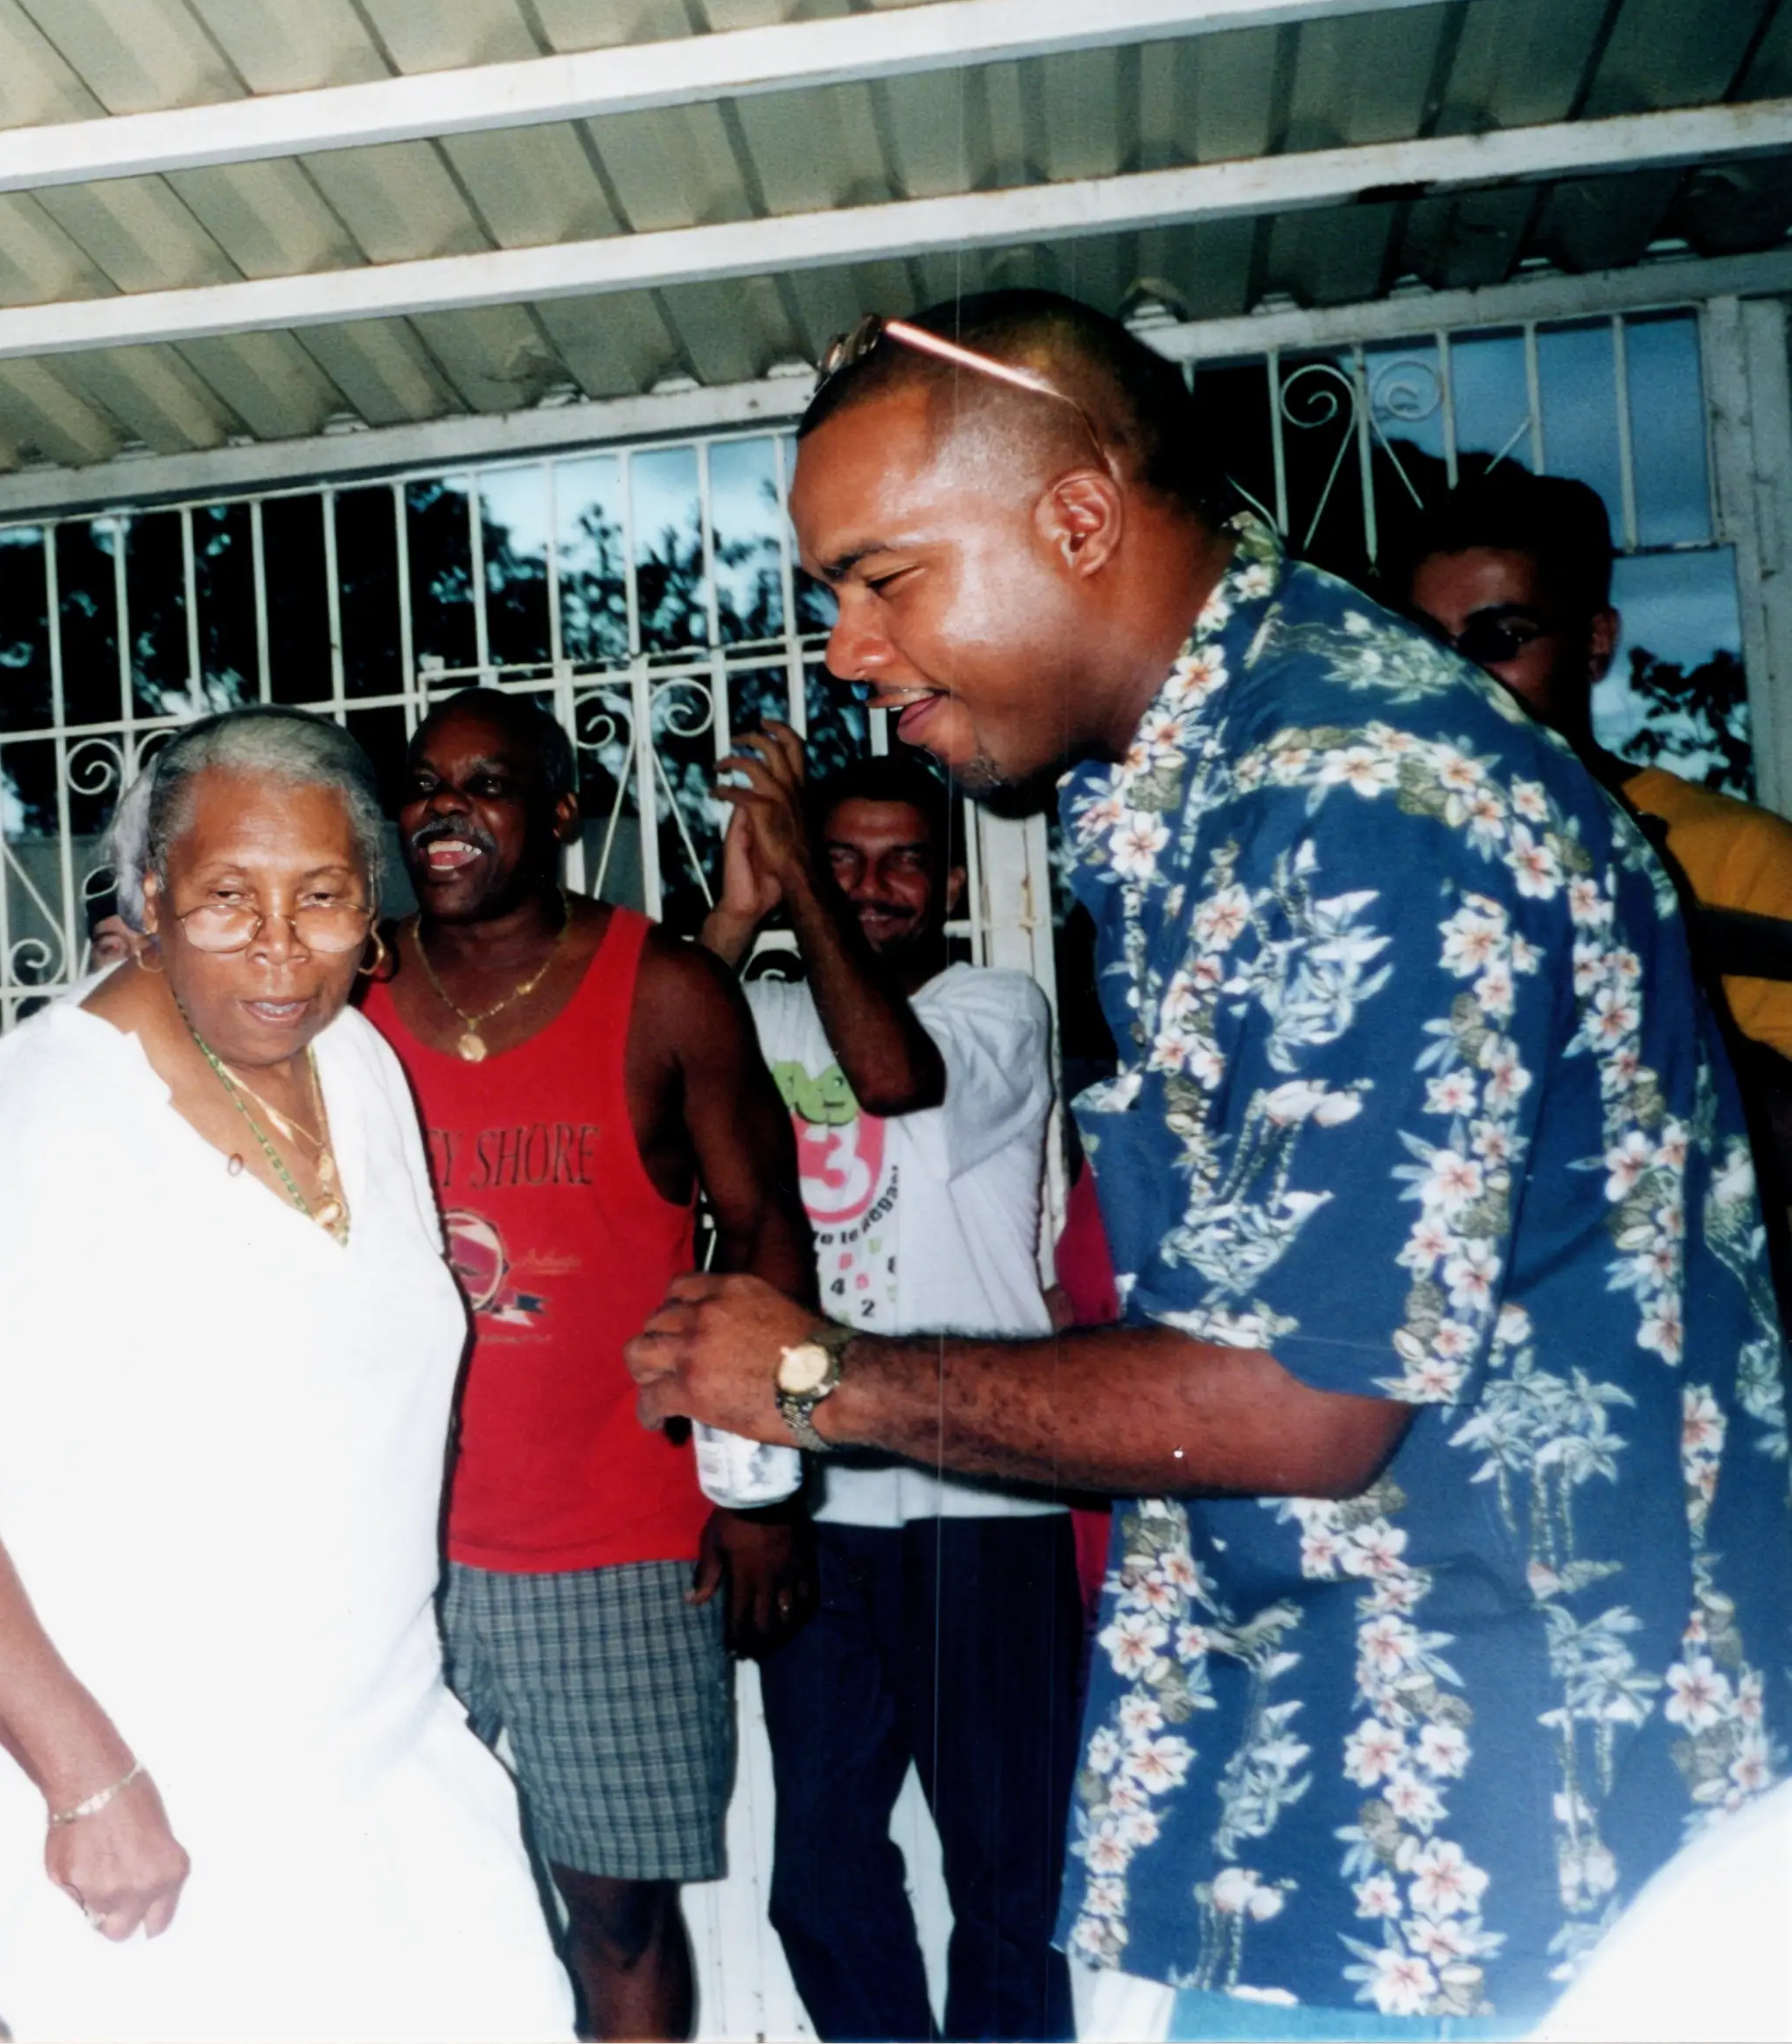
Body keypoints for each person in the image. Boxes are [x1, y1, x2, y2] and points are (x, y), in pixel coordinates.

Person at [634, 291, 1789, 2040]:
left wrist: (817, 1372)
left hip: (1489, 1826)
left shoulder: (1357, 790)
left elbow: (1296, 1398)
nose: (847, 652)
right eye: (830, 600)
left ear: (1074, 517)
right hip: (1341, 1786)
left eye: (881, 579)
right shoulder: (1202, 786)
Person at [0, 707, 570, 2043]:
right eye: (228, 896)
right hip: (139, 1809)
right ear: (154, 898)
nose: (281, 946)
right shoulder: (47, 1105)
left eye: (323, 896)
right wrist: (84, 1777)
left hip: (378, 1768)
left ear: (374, 904)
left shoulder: (356, 1062)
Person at [366, 685, 813, 2042]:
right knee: (398, 1896)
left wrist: (761, 1493)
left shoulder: (665, 988)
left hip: (618, 1543)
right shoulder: (349, 988)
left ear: (559, 811)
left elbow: (767, 1228)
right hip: (390, 1545)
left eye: (485, 782)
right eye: (423, 785)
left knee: (614, 1911)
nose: (444, 809)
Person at [699, 735, 1079, 2042]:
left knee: (1008, 1879)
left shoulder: (995, 1005)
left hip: (983, 1505)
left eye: (898, 864)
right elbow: (663, 1045)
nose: (866, 886)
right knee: (815, 1878)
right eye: (840, 859)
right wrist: (743, 899)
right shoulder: (760, 1008)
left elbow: (888, 1076)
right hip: (822, 1504)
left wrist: (797, 883)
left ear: (954, 882)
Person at [1394, 468, 1792, 1067]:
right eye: (1426, 645)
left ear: (1596, 642)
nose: (1456, 677)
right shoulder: (1394, 851)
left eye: (1500, 638)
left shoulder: (1739, 853)